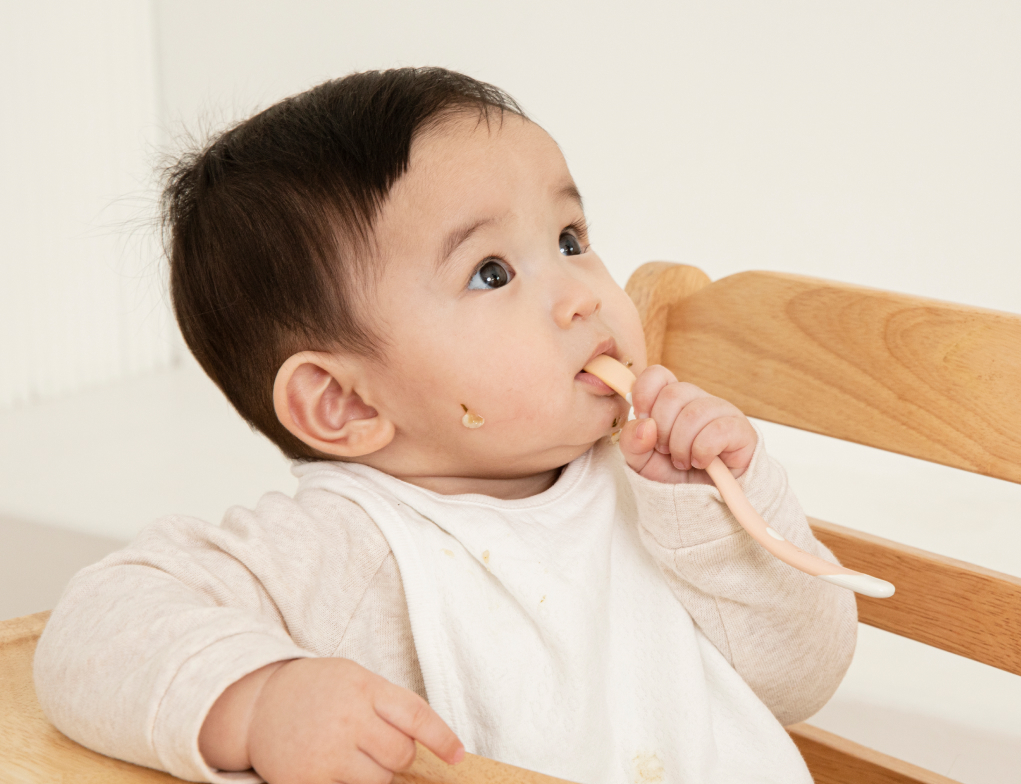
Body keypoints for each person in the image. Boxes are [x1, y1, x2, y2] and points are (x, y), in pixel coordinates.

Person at [32, 67, 856, 784]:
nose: (581, 294)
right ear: (345, 404)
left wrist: (720, 512)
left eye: (570, 239)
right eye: (491, 272)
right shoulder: (349, 550)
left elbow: (801, 682)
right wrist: (262, 700)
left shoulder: (664, 492)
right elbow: (93, 630)